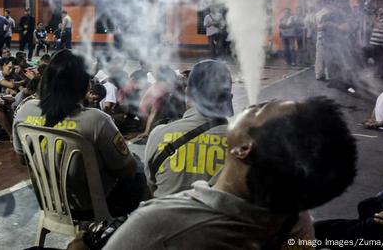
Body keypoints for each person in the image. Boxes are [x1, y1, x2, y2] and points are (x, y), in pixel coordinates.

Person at [103, 97, 357, 249]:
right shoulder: (297, 221)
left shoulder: (157, 224)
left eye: (260, 109)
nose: (254, 104)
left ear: (244, 148)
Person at [13, 50, 147, 217]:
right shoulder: (97, 120)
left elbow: (22, 159)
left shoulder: (24, 111)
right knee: (138, 169)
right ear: (85, 86)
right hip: (92, 206)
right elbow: (126, 171)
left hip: (52, 202)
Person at [144, 60, 232, 198]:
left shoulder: (159, 134)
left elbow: (151, 187)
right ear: (229, 98)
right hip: (220, 219)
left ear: (188, 92)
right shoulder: (242, 143)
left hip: (164, 217)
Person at [366, 7, 383, 76]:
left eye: (382, 9)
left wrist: (374, 20)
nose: (380, 10)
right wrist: (373, 20)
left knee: (380, 59)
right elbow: (370, 27)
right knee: (374, 59)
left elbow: (380, 27)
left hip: (380, 43)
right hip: (373, 42)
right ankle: (376, 73)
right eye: (379, 9)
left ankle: (381, 74)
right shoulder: (377, 18)